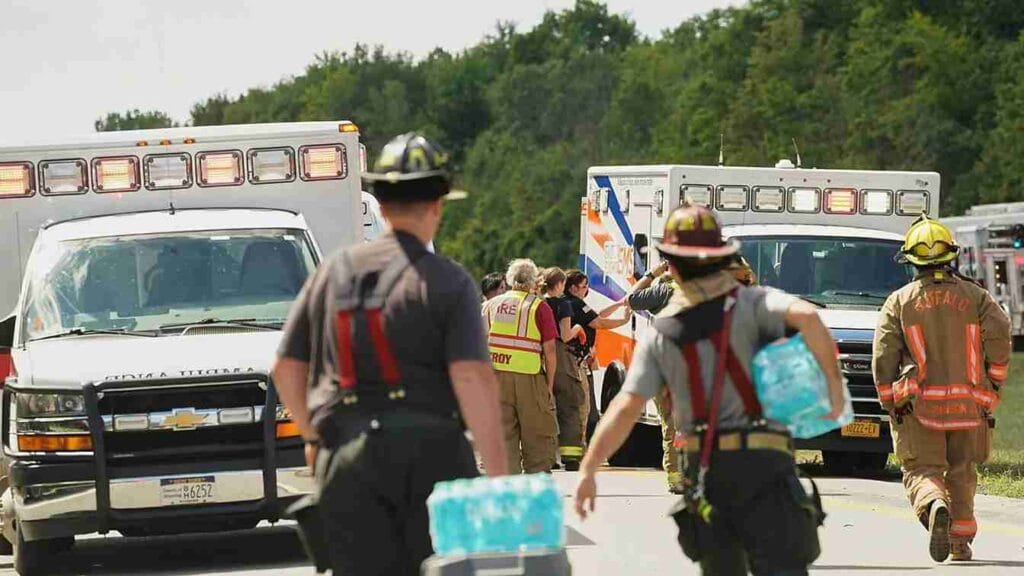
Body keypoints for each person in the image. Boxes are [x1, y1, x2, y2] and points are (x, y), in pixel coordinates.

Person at [272, 132, 508, 576]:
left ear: (379, 205)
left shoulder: (332, 273)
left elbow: (285, 369)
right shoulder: (449, 281)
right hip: (436, 457)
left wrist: (314, 438)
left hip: (348, 457)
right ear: (438, 206)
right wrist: (496, 481)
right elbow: (472, 378)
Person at [574, 204, 845, 576]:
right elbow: (810, 318)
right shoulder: (758, 303)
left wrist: (589, 468)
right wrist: (834, 392)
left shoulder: (666, 331)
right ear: (721, 258)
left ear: (671, 266)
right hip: (769, 463)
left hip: (711, 468)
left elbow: (626, 407)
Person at [873, 214, 1012, 563]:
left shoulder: (899, 301)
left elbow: (884, 353)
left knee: (923, 469)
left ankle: (934, 503)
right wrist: (994, 382)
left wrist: (889, 400)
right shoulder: (977, 296)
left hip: (918, 406)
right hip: (969, 406)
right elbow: (1000, 335)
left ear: (911, 261)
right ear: (951, 255)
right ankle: (960, 543)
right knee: (962, 470)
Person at [482, 259, 560, 474]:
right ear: (534, 281)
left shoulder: (489, 305)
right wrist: (549, 386)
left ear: (510, 279)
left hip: (496, 377)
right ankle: (535, 483)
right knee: (536, 435)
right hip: (530, 378)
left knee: (503, 435)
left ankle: (508, 484)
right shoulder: (539, 307)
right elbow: (550, 351)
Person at [539, 267, 588, 470]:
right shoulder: (564, 304)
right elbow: (565, 335)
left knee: (545, 408)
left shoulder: (537, 303)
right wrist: (578, 328)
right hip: (560, 357)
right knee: (569, 407)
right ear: (559, 284)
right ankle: (571, 458)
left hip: (538, 356)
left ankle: (548, 457)